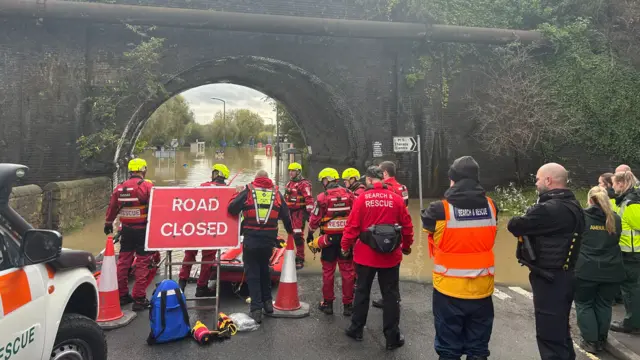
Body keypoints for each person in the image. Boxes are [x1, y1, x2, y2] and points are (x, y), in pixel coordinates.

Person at [422, 156, 498, 360]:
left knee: (448, 349)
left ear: (452, 180)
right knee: (478, 348)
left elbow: (427, 227)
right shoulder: (492, 206)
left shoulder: (439, 209)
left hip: (449, 290)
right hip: (482, 288)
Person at [507, 163, 585, 360]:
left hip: (550, 280)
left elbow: (514, 225)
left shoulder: (548, 210)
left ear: (548, 180)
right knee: (561, 334)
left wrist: (531, 208)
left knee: (549, 337)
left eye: (538, 179)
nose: (536, 183)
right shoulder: (574, 205)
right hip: (566, 276)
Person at [342, 166, 414, 350]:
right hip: (390, 257)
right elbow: (407, 226)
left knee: (362, 292)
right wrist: (406, 246)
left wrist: (345, 247)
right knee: (390, 297)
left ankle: (356, 329)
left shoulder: (361, 199)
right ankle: (392, 338)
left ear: (367, 180)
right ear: (383, 179)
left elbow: (352, 226)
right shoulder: (396, 199)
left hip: (365, 256)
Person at [227, 170, 293, 323]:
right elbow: (286, 215)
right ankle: (268, 303)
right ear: (267, 179)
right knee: (264, 270)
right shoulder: (276, 193)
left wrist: (233, 195)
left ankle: (256, 309)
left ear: (256, 179)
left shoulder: (248, 190)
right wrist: (290, 232)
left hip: (251, 240)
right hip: (268, 242)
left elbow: (232, 208)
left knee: (253, 274)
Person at [574, 186, 624, 353]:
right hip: (612, 269)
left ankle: (590, 341)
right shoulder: (615, 219)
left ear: (589, 200)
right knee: (604, 304)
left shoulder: (582, 217)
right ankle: (602, 338)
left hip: (586, 269)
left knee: (584, 304)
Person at [104, 158, 156, 311]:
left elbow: (112, 207)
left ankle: (122, 295)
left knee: (123, 262)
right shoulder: (147, 186)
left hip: (126, 230)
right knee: (142, 263)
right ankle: (139, 298)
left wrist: (108, 223)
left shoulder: (120, 188)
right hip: (142, 230)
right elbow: (157, 206)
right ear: (143, 170)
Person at [307, 167, 356, 316]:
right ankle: (348, 305)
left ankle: (328, 304)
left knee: (328, 272)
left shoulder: (322, 197)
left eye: (323, 180)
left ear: (327, 179)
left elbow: (314, 219)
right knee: (347, 272)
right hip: (346, 241)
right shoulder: (350, 195)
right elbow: (357, 215)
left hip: (328, 241)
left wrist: (309, 233)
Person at [178, 163, 230, 297]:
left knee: (189, 254)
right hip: (211, 229)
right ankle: (201, 287)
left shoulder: (203, 186)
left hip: (195, 227)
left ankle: (181, 284)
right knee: (208, 259)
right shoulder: (227, 191)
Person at [372, 160, 410, 309]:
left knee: (385, 268)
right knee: (395, 266)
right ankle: (394, 297)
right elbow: (404, 209)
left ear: (385, 173)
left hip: (385, 232)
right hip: (399, 231)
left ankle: (389, 298)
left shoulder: (387, 188)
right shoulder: (403, 187)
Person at [609, 171, 640, 334]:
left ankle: (633, 324)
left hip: (633, 254)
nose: (612, 186)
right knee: (631, 289)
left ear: (621, 183)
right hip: (628, 252)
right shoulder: (625, 201)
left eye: (614, 183)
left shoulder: (631, 203)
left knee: (631, 290)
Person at [284, 162, 314, 269]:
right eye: (290, 171)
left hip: (299, 213)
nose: (290, 173)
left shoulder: (304, 184)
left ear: (298, 172)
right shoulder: (289, 184)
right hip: (289, 212)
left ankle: (300, 258)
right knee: (290, 233)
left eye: (293, 171)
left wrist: (311, 216)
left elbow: (309, 199)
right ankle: (292, 253)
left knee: (297, 235)